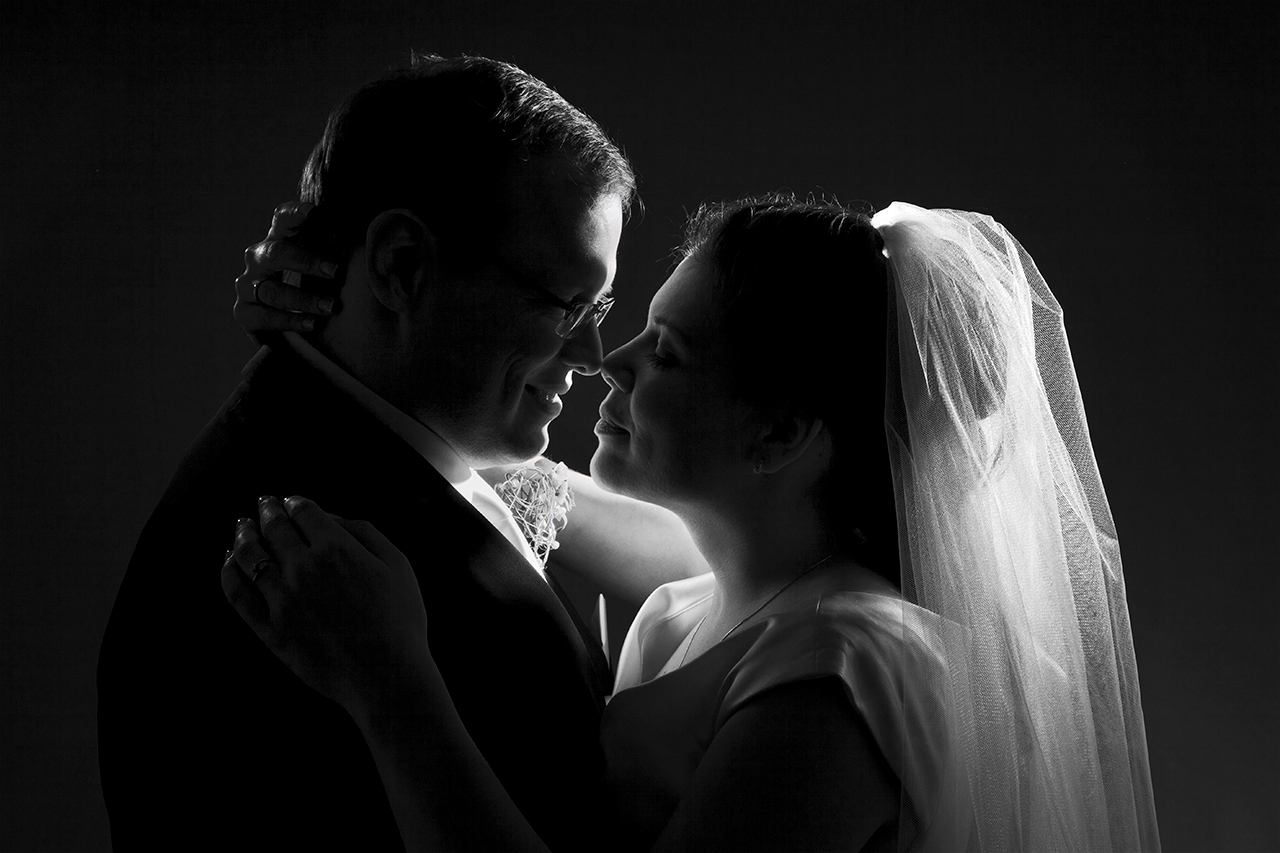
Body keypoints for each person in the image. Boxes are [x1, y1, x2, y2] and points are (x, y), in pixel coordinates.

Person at [224, 195, 1162, 851]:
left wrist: (390, 688)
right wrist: (349, 308)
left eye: (666, 352)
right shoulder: (696, 601)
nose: (609, 360)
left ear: (778, 433)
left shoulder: (840, 676)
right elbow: (512, 477)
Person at [97, 54, 705, 851]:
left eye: (600, 305)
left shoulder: (376, 437)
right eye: (565, 305)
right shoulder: (307, 556)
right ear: (401, 264)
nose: (593, 354)